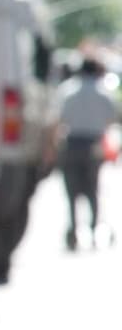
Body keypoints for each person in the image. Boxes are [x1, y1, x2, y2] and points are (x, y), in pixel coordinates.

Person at [53, 56, 119, 250]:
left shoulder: (67, 90)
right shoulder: (104, 92)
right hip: (94, 145)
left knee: (71, 191)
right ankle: (93, 228)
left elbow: (59, 119)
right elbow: (111, 119)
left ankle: (73, 230)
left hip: (72, 144)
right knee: (93, 189)